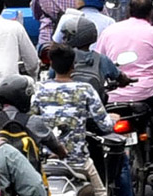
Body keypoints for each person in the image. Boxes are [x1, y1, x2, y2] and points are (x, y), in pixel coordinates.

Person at [95, 0, 153, 179]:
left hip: (114, 93)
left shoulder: (110, 31)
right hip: (145, 91)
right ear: (151, 13)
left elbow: (98, 58)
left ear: (128, 11)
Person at [33, 44, 116, 196]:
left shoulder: (39, 89)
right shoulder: (85, 89)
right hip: (78, 162)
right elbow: (105, 126)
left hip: (47, 162)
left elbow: (32, 122)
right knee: (101, 193)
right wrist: (113, 119)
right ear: (73, 66)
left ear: (51, 64)